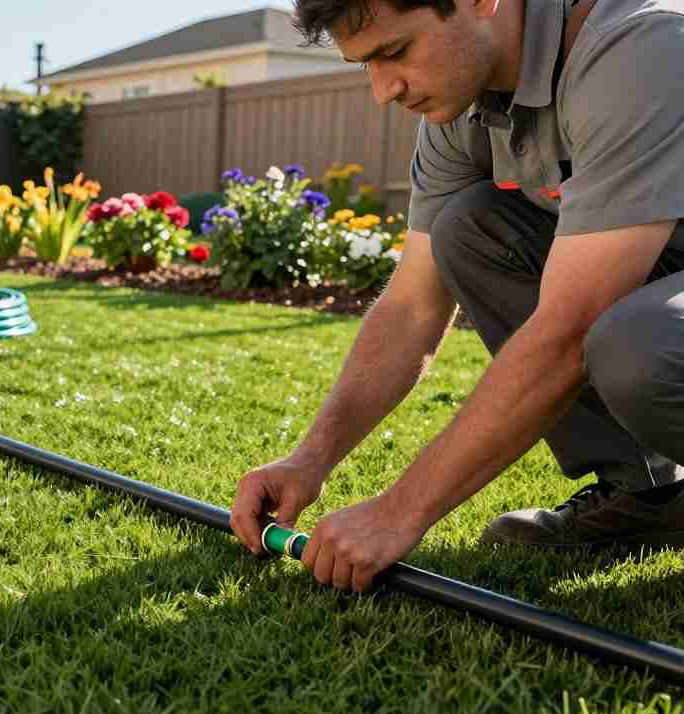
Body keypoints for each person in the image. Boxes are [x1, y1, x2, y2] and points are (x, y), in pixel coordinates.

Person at [228, 0, 684, 593]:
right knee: (469, 229)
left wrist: (399, 511)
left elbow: (570, 330)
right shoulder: (462, 103)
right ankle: (647, 497)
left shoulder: (637, 49)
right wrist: (309, 459)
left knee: (637, 344)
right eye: (364, 64)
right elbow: (412, 305)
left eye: (394, 52)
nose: (382, 90)